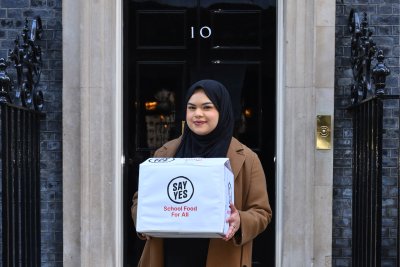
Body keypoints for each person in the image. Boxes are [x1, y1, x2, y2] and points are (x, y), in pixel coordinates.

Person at [131, 79, 272, 267]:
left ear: (222, 111)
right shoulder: (166, 152)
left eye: (207, 107)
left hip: (221, 255)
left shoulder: (247, 159)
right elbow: (142, 199)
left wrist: (240, 220)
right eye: (191, 108)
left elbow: (262, 213)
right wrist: (143, 219)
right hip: (170, 256)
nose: (198, 114)